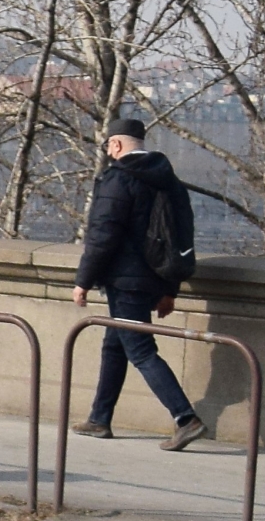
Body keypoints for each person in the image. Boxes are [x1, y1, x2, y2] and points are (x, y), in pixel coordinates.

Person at [71, 116, 206, 450]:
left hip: (125, 280)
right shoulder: (168, 180)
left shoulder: (118, 179)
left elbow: (103, 235)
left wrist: (82, 281)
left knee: (141, 350)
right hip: (154, 277)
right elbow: (181, 235)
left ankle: (185, 418)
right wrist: (169, 288)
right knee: (114, 344)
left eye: (107, 147)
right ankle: (100, 418)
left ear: (115, 145)